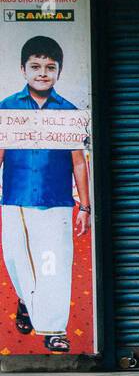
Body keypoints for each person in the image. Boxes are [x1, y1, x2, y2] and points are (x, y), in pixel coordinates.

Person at [0, 35, 90, 353]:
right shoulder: (7, 108)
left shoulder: (69, 112)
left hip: (56, 201)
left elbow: (78, 162)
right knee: (15, 259)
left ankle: (53, 329)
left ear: (58, 72)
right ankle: (26, 299)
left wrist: (85, 207)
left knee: (53, 264)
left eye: (50, 67)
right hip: (15, 198)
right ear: (23, 69)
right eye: (35, 66)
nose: (42, 73)